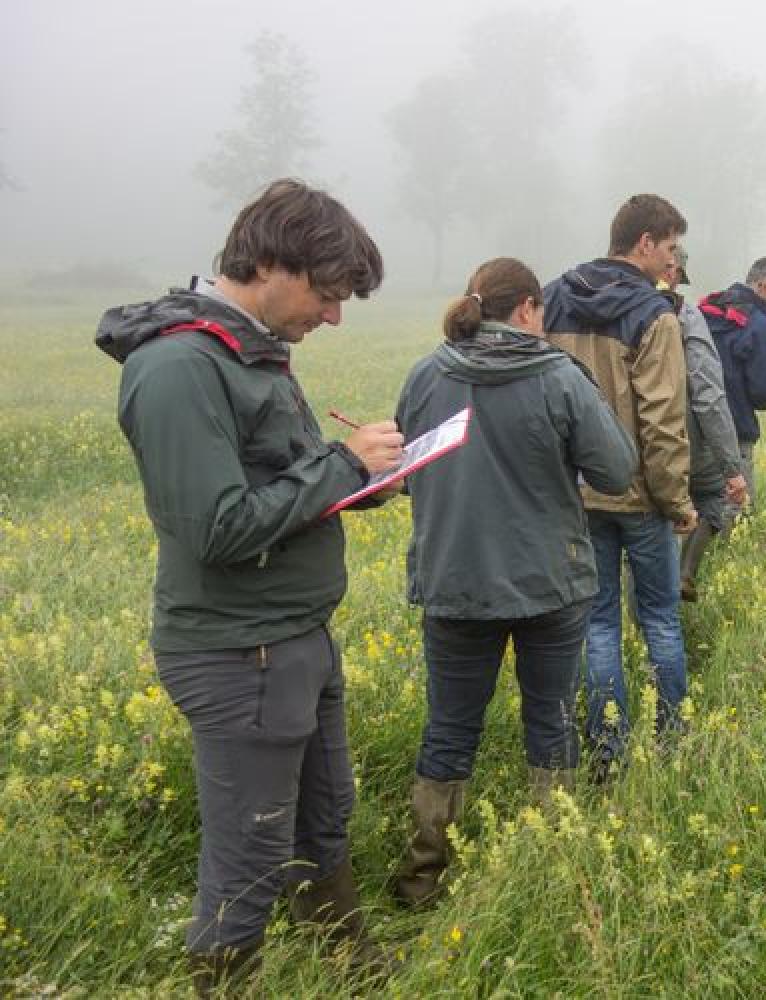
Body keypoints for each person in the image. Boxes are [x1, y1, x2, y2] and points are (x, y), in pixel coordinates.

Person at [94, 179, 401, 994]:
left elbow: (280, 484)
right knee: (252, 845)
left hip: (294, 634)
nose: (333, 316)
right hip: (240, 650)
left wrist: (360, 482)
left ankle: (346, 954)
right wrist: (342, 466)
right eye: (327, 293)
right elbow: (217, 526)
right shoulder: (178, 368)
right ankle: (226, 979)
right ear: (269, 263)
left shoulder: (249, 354)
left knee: (323, 812)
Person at [391, 257, 636, 904]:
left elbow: (407, 469)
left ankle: (423, 874)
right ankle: (555, 865)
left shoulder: (425, 374)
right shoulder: (557, 377)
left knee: (448, 728)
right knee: (549, 719)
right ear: (529, 308)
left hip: (453, 583)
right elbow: (615, 471)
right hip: (547, 583)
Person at [542, 193, 695, 782]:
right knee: (659, 619)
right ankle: (673, 745)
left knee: (597, 624)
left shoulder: (551, 297)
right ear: (645, 243)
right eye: (671, 248)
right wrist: (676, 501)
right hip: (640, 496)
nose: (672, 262)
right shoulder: (653, 313)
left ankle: (607, 754)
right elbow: (662, 419)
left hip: (574, 493)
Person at [664, 247, 746, 602]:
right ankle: (684, 574)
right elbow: (708, 396)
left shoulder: (608, 310)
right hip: (684, 440)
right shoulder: (684, 314)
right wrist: (732, 467)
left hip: (623, 447)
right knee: (713, 496)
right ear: (675, 273)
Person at [698, 257, 766, 516]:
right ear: (764, 285)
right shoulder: (759, 324)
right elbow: (762, 393)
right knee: (738, 506)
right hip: (736, 426)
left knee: (702, 501)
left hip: (696, 424)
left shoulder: (705, 309)